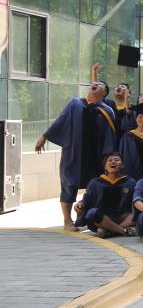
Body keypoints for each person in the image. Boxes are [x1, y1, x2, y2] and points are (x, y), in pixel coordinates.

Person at [36, 80, 118, 230]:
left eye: (99, 83)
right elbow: (60, 121)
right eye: (93, 82)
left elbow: (109, 136)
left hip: (95, 156)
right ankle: (67, 221)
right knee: (68, 186)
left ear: (104, 92)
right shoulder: (74, 104)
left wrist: (109, 156)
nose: (94, 83)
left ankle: (90, 218)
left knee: (95, 188)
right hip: (73, 153)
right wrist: (44, 137)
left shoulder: (107, 111)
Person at [75, 153, 137, 237]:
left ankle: (108, 231)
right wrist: (80, 204)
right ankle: (123, 231)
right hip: (103, 217)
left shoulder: (130, 182)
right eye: (110, 160)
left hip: (123, 217)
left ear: (122, 165)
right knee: (92, 213)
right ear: (105, 166)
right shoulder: (95, 182)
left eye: (116, 160)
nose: (113, 162)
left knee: (138, 213)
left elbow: (135, 200)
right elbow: (87, 198)